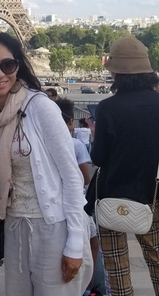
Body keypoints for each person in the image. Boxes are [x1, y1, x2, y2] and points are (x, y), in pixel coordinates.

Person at [0, 30, 93, 296]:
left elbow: (72, 177)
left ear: (18, 65)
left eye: (7, 64)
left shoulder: (40, 107)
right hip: (13, 226)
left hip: (53, 227)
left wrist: (74, 243)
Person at [89, 37, 159, 296]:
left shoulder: (108, 108)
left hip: (112, 193)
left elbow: (98, 158)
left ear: (115, 72)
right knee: (156, 257)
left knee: (116, 265)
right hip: (152, 194)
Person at [56, 97, 102, 296]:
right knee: (91, 243)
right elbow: (85, 177)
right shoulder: (75, 144)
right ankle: (88, 288)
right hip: (78, 204)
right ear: (71, 123)